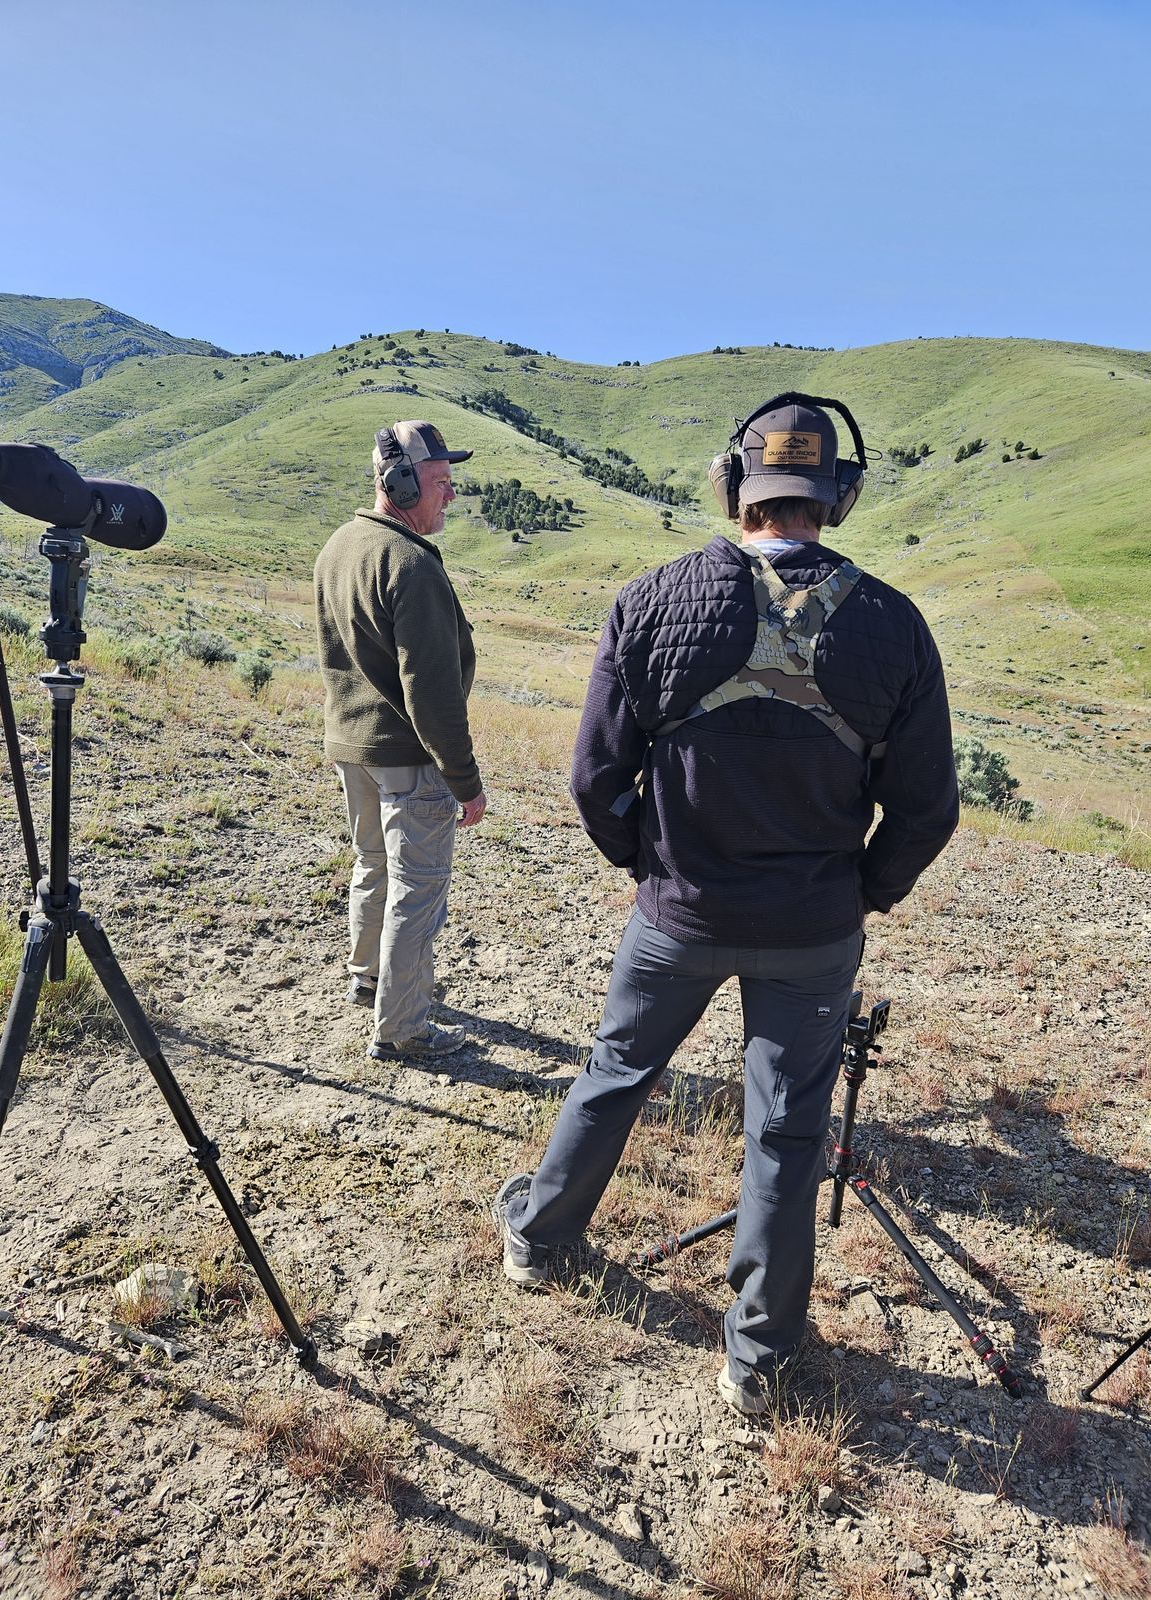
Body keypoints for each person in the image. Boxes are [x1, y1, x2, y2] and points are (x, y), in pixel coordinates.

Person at [493, 394, 958, 1417]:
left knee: (616, 1073)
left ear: (732, 488)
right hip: (813, 933)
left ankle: (540, 1237)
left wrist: (650, 868)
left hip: (677, 915)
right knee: (787, 1135)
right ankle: (757, 1359)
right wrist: (862, 893)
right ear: (838, 495)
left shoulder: (652, 600)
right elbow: (929, 808)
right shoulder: (894, 625)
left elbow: (591, 780)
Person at [313, 420, 487, 1060]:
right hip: (409, 755)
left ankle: (368, 982)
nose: (449, 495)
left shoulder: (340, 544)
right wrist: (464, 781)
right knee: (418, 890)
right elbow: (431, 693)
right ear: (400, 483)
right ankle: (404, 1027)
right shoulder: (410, 564)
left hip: (353, 748)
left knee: (373, 869)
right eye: (440, 482)